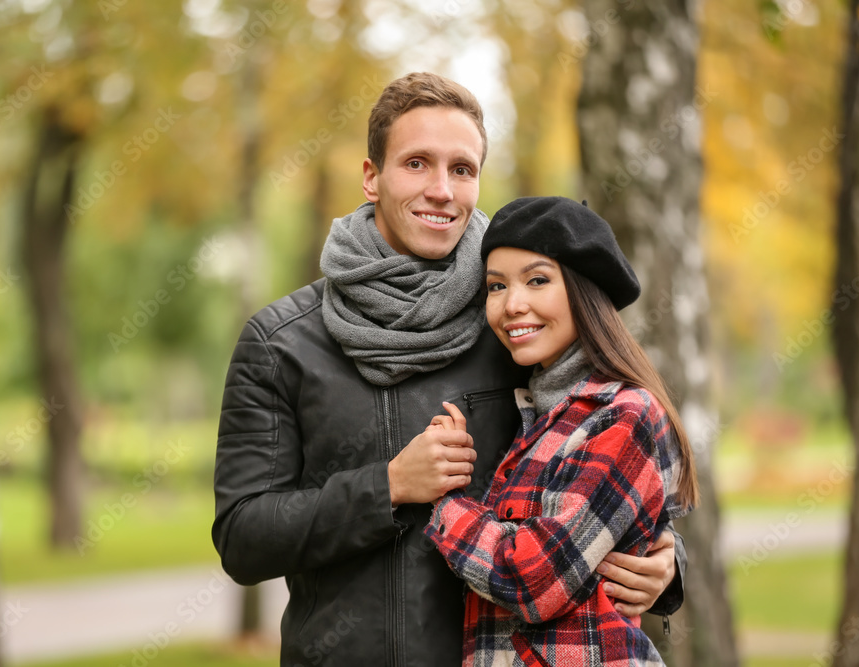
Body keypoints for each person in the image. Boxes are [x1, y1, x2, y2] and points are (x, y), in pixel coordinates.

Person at [212, 72, 686, 667]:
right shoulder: (282, 342)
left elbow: (604, 455)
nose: (442, 189)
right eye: (417, 164)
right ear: (371, 178)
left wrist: (666, 566)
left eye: (462, 169)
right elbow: (243, 538)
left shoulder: (516, 326)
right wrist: (387, 487)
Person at [422, 196, 698, 666]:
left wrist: (441, 501)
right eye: (495, 286)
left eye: (537, 280)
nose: (513, 305)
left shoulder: (622, 414)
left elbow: (533, 581)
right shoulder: (532, 410)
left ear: (583, 291)